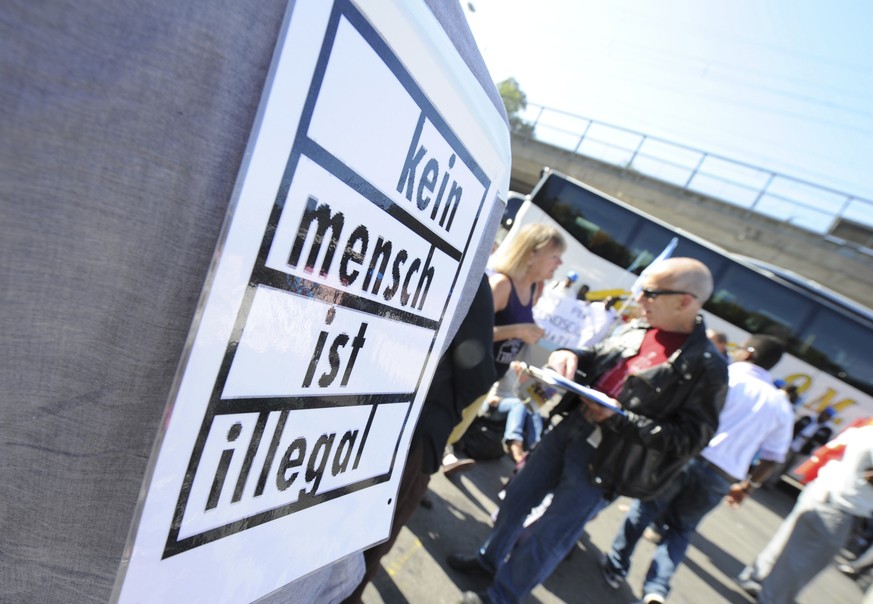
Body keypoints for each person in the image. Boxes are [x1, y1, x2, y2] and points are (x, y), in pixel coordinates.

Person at [447, 257, 728, 604]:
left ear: (684, 301)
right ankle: (487, 562)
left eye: (649, 293)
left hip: (608, 461)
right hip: (570, 428)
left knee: (549, 535)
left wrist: (619, 419)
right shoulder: (641, 327)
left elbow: (689, 438)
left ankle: (500, 597)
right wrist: (567, 355)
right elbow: (596, 356)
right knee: (516, 498)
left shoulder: (707, 366)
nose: (639, 300)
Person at [602, 334, 794, 603]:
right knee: (680, 530)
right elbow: (773, 458)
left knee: (645, 510)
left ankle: (616, 566)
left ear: (749, 353)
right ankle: (656, 589)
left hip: (684, 457)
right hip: (721, 476)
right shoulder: (780, 406)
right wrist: (748, 486)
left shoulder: (725, 377)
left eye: (739, 349)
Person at [341, 275, 497, 603]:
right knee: (362, 553)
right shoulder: (467, 269)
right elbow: (478, 372)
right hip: (413, 431)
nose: (556, 266)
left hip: (349, 410)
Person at [443, 224, 565, 472]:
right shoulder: (501, 284)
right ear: (531, 254)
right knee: (439, 431)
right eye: (554, 256)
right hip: (463, 378)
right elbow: (468, 335)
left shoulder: (533, 288)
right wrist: (519, 330)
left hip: (487, 378)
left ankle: (418, 482)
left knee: (452, 434)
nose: (560, 263)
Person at [737, 423, 873, 604]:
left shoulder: (866, 429)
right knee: (799, 568)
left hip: (826, 493)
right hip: (840, 508)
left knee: (786, 549)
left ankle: (757, 579)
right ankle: (768, 594)